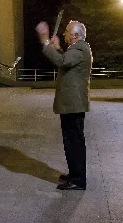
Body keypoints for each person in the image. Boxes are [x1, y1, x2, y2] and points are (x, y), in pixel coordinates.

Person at [35, 20, 92, 190]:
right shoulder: (77, 49)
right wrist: (58, 47)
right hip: (71, 103)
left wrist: (45, 41)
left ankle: (79, 179)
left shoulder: (80, 47)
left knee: (74, 141)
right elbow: (66, 61)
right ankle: (75, 174)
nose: (64, 34)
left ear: (75, 35)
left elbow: (62, 62)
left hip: (73, 104)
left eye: (67, 32)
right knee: (71, 140)